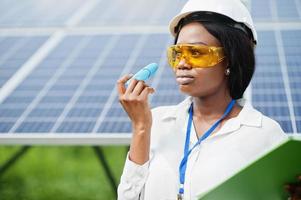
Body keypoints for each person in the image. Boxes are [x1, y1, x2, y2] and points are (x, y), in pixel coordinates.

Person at [116, 0, 288, 199]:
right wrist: (141, 128)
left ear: (231, 59)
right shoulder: (154, 122)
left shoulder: (265, 134)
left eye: (196, 53)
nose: (181, 64)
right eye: (177, 53)